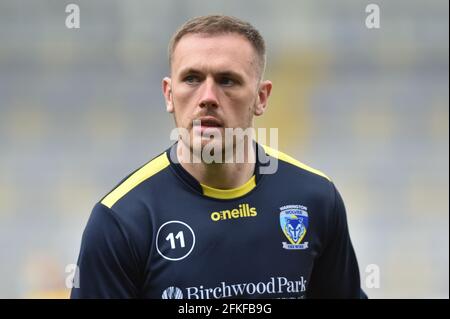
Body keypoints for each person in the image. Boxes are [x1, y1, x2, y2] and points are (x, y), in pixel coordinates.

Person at [71, 15, 365, 299]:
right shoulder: (121, 220)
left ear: (261, 98)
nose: (208, 96)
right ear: (169, 94)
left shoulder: (315, 197)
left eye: (227, 80)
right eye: (192, 78)